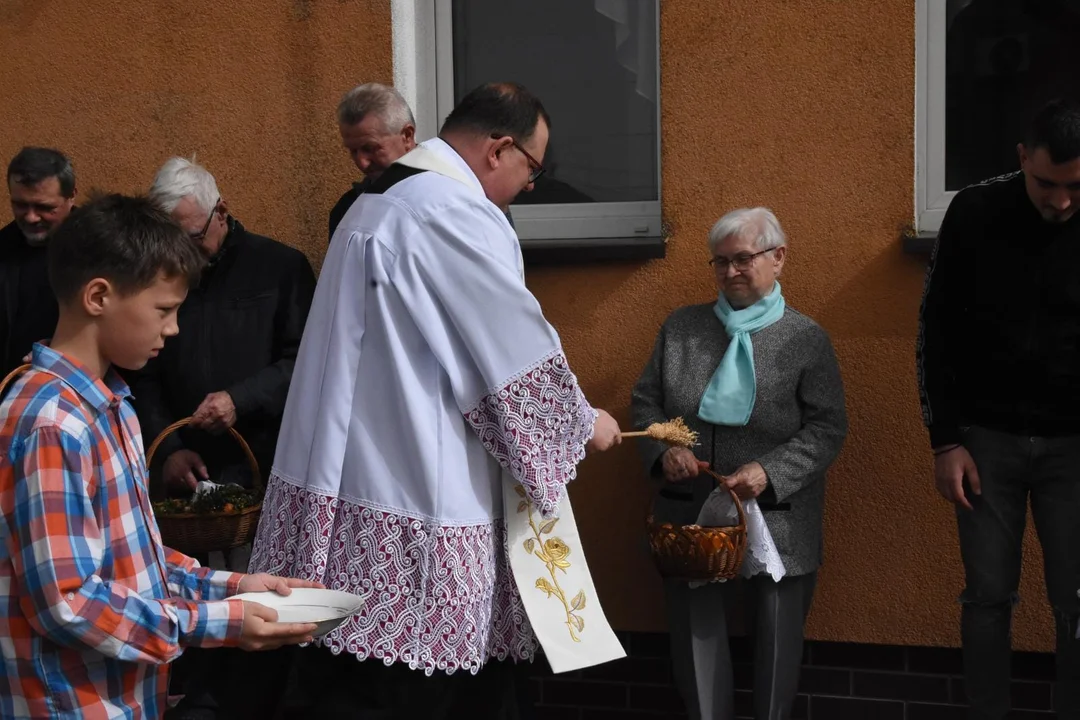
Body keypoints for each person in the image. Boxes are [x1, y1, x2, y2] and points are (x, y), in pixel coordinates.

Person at [249, 82, 622, 719]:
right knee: (422, 687)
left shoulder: (379, 198)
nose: (530, 186)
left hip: (354, 474)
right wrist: (580, 423)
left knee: (347, 675)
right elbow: (503, 346)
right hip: (419, 485)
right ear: (498, 149)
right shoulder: (450, 209)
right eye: (532, 168)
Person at [0, 193, 320, 719]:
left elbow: (134, 564)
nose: (172, 329)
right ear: (99, 296)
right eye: (164, 310)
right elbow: (67, 603)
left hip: (129, 699)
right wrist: (216, 624)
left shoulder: (115, 405)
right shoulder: (50, 423)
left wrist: (236, 587)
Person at [631, 207, 847, 720]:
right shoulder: (681, 327)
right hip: (690, 512)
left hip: (777, 514)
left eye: (743, 259)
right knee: (697, 634)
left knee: (776, 636)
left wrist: (771, 471)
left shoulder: (805, 339)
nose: (730, 273)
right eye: (720, 262)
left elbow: (827, 427)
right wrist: (666, 451)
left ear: (778, 258)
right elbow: (646, 404)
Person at [917, 97, 1080, 720]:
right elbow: (936, 329)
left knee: (1077, 601)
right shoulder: (976, 211)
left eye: (1075, 187)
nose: (1062, 201)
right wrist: (945, 440)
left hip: (1076, 444)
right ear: (1021, 158)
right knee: (986, 597)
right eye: (1047, 183)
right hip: (985, 441)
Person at [133, 157, 316, 500]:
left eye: (191, 237)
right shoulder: (155, 275)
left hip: (269, 466)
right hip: (185, 472)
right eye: (168, 240)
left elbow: (308, 362)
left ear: (221, 211)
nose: (180, 253)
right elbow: (143, 372)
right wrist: (168, 449)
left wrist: (239, 400)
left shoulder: (280, 268)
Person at [0, 147, 77, 376]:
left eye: (44, 207)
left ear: (71, 196)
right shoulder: (3, 247)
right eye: (21, 205)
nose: (31, 217)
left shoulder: (101, 249)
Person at [328, 82, 417, 242]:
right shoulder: (347, 209)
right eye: (353, 151)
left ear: (407, 136)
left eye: (370, 148)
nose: (362, 163)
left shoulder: (448, 194)